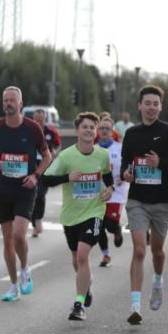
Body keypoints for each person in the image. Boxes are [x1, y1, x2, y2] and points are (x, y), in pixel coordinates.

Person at [120, 85, 168, 324]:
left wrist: (161, 162)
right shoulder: (131, 134)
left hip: (161, 201)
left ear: (161, 107)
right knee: (140, 249)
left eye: (156, 103)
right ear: (139, 106)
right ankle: (135, 305)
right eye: (147, 103)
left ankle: (158, 281)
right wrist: (126, 173)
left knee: (157, 251)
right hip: (137, 200)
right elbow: (124, 163)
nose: (151, 107)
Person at [41, 112, 115, 321]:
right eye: (85, 127)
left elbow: (108, 177)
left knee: (83, 255)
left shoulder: (102, 155)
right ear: (77, 131)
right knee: (76, 259)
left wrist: (109, 189)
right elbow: (44, 180)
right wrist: (67, 177)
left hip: (94, 211)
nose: (89, 130)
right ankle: (86, 286)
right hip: (71, 216)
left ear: (97, 131)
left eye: (93, 127)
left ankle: (78, 304)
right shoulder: (66, 156)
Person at [0, 86, 52, 302]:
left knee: (19, 235)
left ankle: (25, 268)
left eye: (12, 100)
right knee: (7, 240)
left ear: (21, 104)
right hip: (3, 190)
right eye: (6, 101)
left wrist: (36, 176)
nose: (9, 104)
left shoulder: (32, 128)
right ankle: (13, 285)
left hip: (25, 189)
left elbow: (47, 156)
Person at [96, 115, 127, 267]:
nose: (104, 131)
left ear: (112, 131)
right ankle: (106, 255)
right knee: (98, 226)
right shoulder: (92, 149)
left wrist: (125, 174)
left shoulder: (120, 149)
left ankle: (117, 229)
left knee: (109, 224)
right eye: (101, 128)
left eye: (107, 128)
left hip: (116, 193)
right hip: (97, 194)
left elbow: (130, 165)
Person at [30, 107, 62, 237]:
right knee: (31, 194)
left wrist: (54, 152)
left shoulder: (51, 132)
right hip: (31, 166)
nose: (38, 124)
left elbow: (58, 145)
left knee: (41, 194)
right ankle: (34, 222)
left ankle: (38, 219)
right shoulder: (28, 131)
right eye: (36, 121)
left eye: (41, 121)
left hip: (45, 166)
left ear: (44, 120)